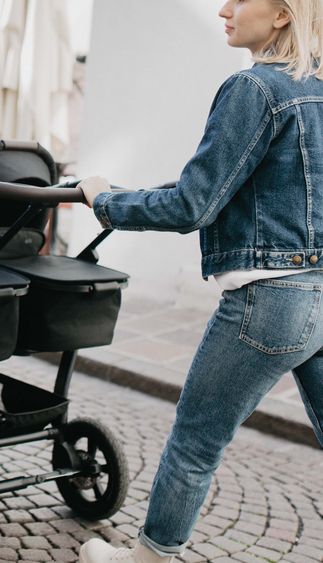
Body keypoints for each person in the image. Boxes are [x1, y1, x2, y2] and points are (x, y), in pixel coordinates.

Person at [77, 1, 323, 562]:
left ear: (283, 15)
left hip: (271, 300)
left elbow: (194, 204)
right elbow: (222, 186)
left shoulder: (255, 89)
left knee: (196, 441)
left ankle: (147, 560)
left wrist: (106, 201)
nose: (223, 9)